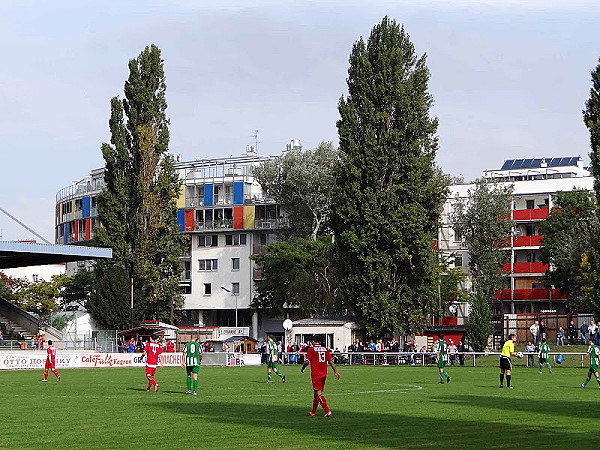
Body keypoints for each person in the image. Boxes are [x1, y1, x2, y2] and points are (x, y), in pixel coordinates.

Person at [301, 337, 340, 417]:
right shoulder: (325, 349)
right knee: (316, 393)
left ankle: (327, 410)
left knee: (318, 393)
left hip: (316, 374)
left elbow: (306, 361)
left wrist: (303, 368)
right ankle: (313, 412)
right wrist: (335, 371)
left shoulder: (311, 349)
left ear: (313, 341)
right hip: (324, 374)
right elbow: (331, 361)